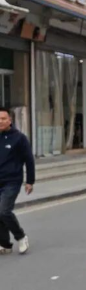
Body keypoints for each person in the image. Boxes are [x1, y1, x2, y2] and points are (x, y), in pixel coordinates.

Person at [0, 107, 34, 255]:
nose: (0, 121)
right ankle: (5, 244)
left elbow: (29, 160)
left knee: (4, 211)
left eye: (3, 119)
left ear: (10, 120)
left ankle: (21, 237)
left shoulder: (19, 138)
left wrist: (30, 181)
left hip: (12, 181)